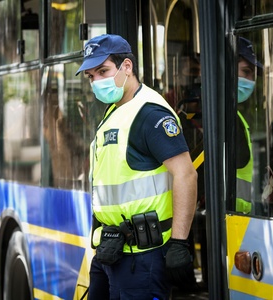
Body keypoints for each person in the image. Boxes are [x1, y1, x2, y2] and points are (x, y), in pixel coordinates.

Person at [75, 34, 198, 299]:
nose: (97, 82)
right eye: (91, 77)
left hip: (144, 259)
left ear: (127, 67)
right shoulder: (115, 110)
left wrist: (179, 243)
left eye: (103, 71)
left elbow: (186, 175)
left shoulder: (150, 114)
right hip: (111, 251)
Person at [236, 37, 262, 214]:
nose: (250, 80)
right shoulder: (227, 118)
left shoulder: (234, 114)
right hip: (234, 213)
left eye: (253, 74)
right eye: (246, 72)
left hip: (237, 213)